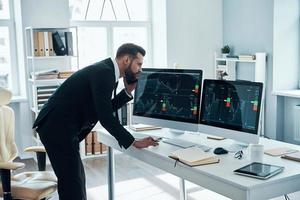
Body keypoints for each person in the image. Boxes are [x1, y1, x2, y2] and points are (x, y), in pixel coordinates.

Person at [33, 43, 158, 200]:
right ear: (126, 59)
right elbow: (105, 117)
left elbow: (102, 109)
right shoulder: (104, 73)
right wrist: (134, 142)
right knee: (72, 183)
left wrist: (126, 92)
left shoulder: (106, 71)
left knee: (76, 180)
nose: (140, 69)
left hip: (61, 127)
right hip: (56, 128)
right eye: (139, 64)